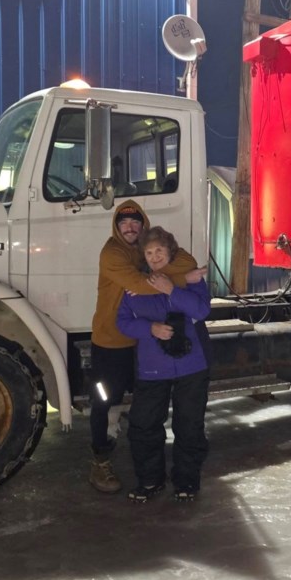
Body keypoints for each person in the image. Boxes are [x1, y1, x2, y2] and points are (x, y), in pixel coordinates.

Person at [89, 199, 203, 493]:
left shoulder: (145, 252)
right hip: (113, 342)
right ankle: (101, 460)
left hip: (146, 349)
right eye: (124, 222)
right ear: (116, 226)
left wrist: (176, 276)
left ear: (144, 225)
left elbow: (186, 262)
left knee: (146, 412)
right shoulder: (112, 252)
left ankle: (156, 469)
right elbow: (141, 286)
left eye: (135, 222)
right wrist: (180, 280)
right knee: (107, 401)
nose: (130, 227)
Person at [116, 226, 212, 503]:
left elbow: (201, 310)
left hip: (191, 365)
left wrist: (172, 289)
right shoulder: (135, 286)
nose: (155, 256)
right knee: (144, 424)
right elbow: (122, 322)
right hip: (152, 366)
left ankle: (187, 481)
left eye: (159, 250)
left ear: (170, 252)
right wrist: (150, 329)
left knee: (189, 425)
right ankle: (150, 481)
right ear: (143, 257)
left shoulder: (189, 279)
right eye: (149, 252)